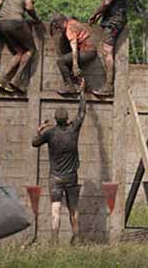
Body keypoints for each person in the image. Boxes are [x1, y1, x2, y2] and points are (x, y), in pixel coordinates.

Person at [32, 79, 86, 245]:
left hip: (55, 177)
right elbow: (82, 113)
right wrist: (82, 92)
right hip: (71, 177)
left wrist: (40, 128)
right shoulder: (73, 130)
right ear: (67, 119)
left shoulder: (50, 133)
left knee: (55, 207)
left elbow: (34, 143)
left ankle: (54, 240)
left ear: (55, 119)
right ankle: (76, 237)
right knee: (73, 208)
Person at [88, 0, 128, 97]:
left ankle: (109, 86)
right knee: (106, 51)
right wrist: (99, 17)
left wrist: (95, 14)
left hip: (114, 20)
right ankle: (108, 84)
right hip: (110, 19)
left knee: (107, 51)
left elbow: (106, 2)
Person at [0, 0, 41, 94]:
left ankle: (2, 79)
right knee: (31, 50)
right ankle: (16, 81)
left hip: (2, 23)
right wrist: (36, 19)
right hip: (15, 22)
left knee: (19, 52)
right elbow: (29, 7)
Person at [49, 14, 97, 96]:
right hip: (88, 50)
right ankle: (82, 84)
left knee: (61, 61)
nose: (60, 30)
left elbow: (74, 48)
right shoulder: (72, 22)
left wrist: (75, 65)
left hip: (87, 51)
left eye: (59, 27)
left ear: (62, 22)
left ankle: (70, 87)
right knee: (68, 60)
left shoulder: (69, 28)